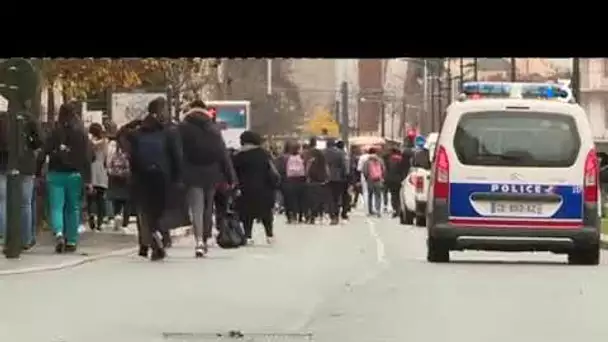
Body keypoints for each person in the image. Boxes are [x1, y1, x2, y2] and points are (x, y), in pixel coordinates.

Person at [127, 97, 182, 261]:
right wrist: (178, 178)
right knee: (160, 210)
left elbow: (132, 156)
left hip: (142, 176)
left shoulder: (138, 131)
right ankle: (159, 236)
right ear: (161, 111)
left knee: (145, 211)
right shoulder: (169, 131)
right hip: (163, 175)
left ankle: (147, 242)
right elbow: (176, 156)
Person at [178, 100, 235, 257]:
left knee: (196, 207)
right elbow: (223, 154)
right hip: (212, 173)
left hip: (191, 172)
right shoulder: (213, 128)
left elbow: (178, 152)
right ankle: (205, 235)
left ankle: (199, 241)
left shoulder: (182, 128)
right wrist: (231, 177)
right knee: (208, 207)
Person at [37, 103, 92, 253]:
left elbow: (43, 152)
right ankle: (72, 241)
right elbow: (87, 158)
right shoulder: (81, 133)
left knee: (56, 207)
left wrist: (37, 171)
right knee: (73, 208)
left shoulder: (54, 132)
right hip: (75, 174)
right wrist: (88, 179)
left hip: (55, 174)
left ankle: (59, 234)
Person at [0, 107, 44, 250]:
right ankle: (26, 239)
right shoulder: (29, 119)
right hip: (26, 164)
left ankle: (5, 237)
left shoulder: (3, 118)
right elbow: (40, 141)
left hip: (4, 163)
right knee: (25, 203)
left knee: (3, 201)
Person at [233, 131, 279, 244]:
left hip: (245, 189)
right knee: (266, 213)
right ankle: (269, 235)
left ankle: (248, 236)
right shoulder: (264, 154)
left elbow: (234, 173)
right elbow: (271, 170)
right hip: (264, 187)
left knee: (246, 214)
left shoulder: (238, 155)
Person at [87, 123, 109, 231]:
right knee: (101, 197)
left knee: (90, 197)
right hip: (101, 169)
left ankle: (91, 214)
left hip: (91, 169)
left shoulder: (89, 142)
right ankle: (100, 222)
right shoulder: (104, 142)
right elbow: (106, 157)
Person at [281, 141, 307, 224]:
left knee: (293, 199)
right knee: (301, 198)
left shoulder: (287, 158)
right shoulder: (302, 157)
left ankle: (293, 216)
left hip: (290, 180)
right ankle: (300, 216)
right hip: (301, 179)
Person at [324, 138, 348, 225]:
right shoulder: (340, 153)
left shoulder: (323, 153)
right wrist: (345, 175)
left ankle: (332, 216)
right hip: (338, 178)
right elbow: (343, 165)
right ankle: (336, 215)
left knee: (329, 197)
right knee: (337, 197)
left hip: (326, 177)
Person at [305, 137, 328, 224]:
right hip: (320, 179)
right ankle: (319, 215)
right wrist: (326, 177)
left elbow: (306, 166)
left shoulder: (307, 153)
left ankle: (311, 216)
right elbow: (325, 166)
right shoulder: (320, 153)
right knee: (319, 198)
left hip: (310, 179)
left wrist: (306, 176)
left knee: (311, 198)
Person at [362, 147, 386, 217]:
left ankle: (370, 211)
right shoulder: (380, 160)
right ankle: (378, 210)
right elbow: (383, 169)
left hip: (370, 180)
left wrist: (367, 178)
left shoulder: (367, 161)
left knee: (370, 195)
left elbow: (365, 171)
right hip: (378, 179)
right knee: (378, 195)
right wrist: (382, 177)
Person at [385, 146, 405, 218]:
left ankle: (395, 210)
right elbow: (402, 170)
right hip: (399, 179)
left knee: (393, 196)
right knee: (399, 195)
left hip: (390, 179)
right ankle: (398, 210)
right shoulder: (401, 160)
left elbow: (386, 170)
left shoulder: (389, 160)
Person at [336, 140, 351, 220]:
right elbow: (347, 167)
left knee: (336, 195)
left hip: (334, 177)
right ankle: (344, 213)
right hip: (344, 178)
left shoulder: (334, 154)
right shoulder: (345, 155)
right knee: (345, 196)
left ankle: (336, 212)